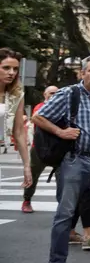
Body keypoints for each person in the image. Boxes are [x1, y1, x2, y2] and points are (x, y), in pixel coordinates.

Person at [33, 56, 90, 261]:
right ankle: (57, 260)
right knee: (65, 214)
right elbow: (38, 117)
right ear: (82, 73)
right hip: (75, 161)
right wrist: (61, 132)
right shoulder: (69, 94)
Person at [0, 48, 33, 187]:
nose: (11, 72)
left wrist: (26, 165)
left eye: (15, 69)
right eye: (6, 68)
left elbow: (19, 132)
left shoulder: (16, 95)